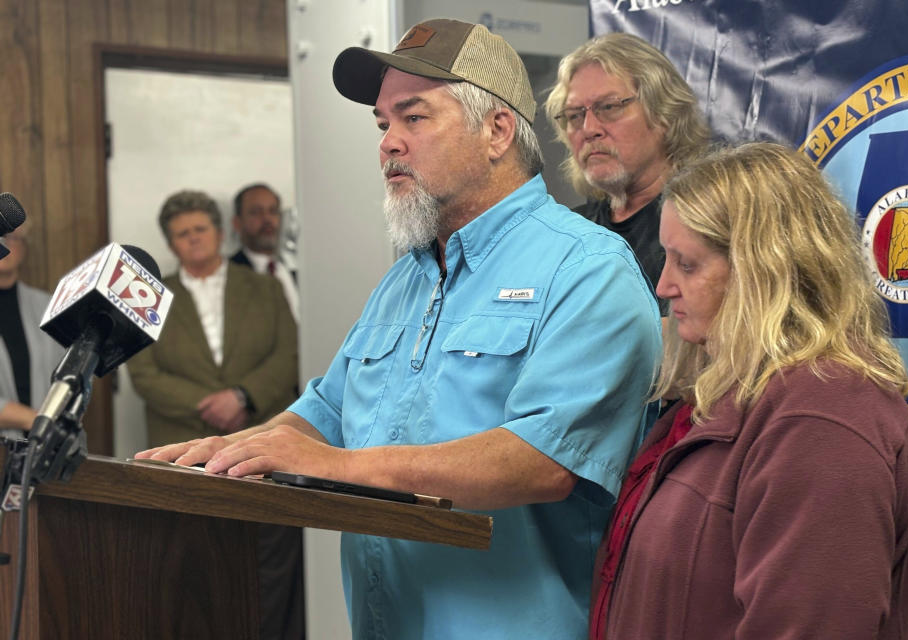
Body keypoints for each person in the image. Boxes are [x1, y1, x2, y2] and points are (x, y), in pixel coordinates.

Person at [137, 18, 662, 640]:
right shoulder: (406, 278)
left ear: (496, 131)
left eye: (414, 118)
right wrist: (225, 456)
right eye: (383, 123)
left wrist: (338, 465)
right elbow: (326, 410)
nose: (388, 143)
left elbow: (543, 460)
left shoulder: (587, 267)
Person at [591, 142, 908, 640]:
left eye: (687, 264)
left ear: (760, 271)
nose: (662, 286)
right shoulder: (735, 392)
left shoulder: (822, 420)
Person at [125, 189, 304, 640]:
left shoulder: (264, 287)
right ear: (170, 243)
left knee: (268, 566)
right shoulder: (150, 294)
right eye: (182, 234)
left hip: (260, 448)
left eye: (200, 229)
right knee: (192, 571)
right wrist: (213, 403)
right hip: (182, 453)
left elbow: (289, 355)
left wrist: (242, 396)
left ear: (220, 233)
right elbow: (143, 373)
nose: (193, 240)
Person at [545, 33, 710, 316]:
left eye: (608, 107)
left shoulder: (707, 224)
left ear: (664, 114)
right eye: (574, 115)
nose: (588, 128)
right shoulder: (564, 231)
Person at [0, 222, 65, 437]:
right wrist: (33, 418)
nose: (4, 244)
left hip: (43, 450)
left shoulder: (48, 306)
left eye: (11, 237)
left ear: (23, 246)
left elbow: (67, 377)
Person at [229, 183, 299, 322]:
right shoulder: (228, 274)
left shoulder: (296, 271)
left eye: (273, 211)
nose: (267, 219)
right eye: (256, 212)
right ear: (237, 223)